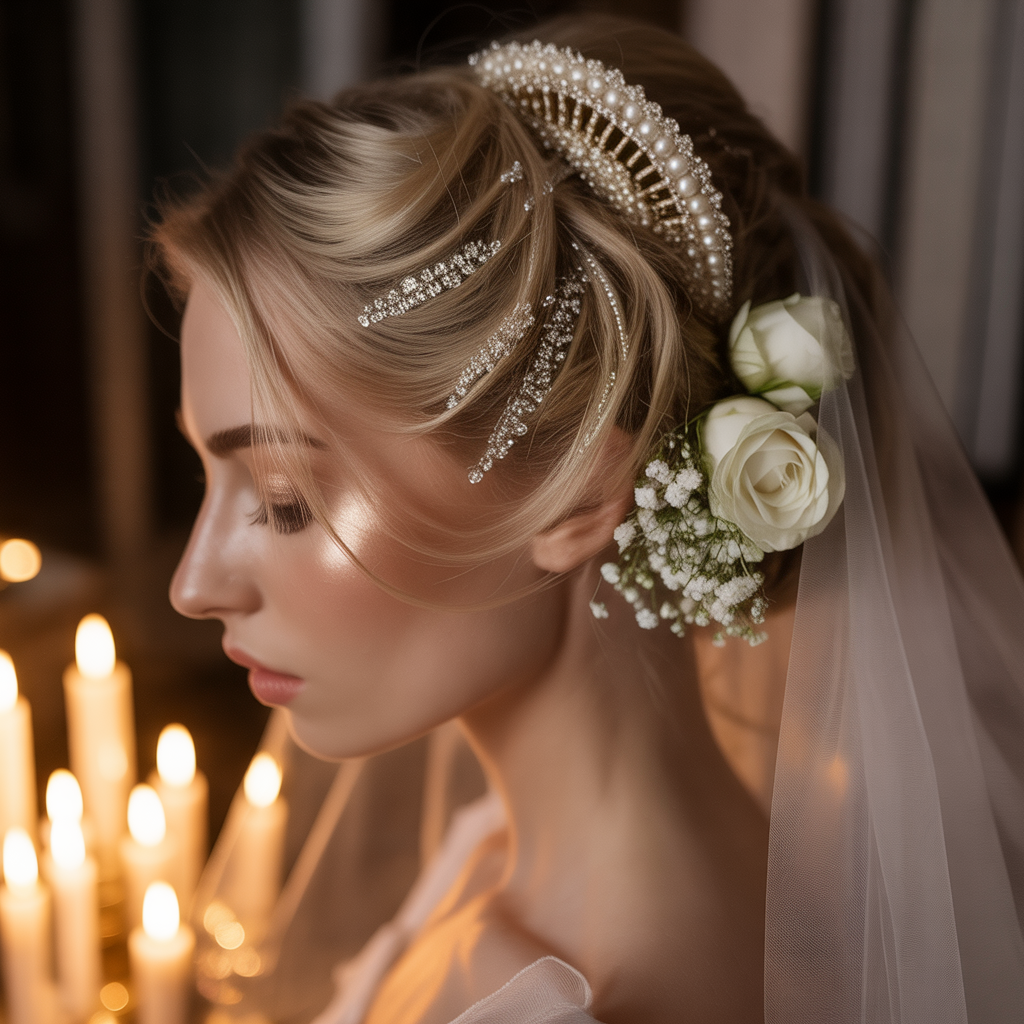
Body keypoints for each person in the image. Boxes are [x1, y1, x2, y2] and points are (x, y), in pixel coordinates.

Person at [150, 15, 1024, 1023]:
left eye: (283, 501)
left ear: (577, 496)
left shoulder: (597, 995)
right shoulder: (520, 853)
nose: (194, 582)